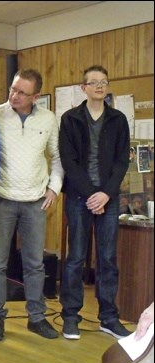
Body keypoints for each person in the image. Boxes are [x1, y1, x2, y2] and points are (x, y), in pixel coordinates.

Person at [0, 68, 64, 341]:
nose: (14, 96)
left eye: (22, 92)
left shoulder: (49, 119)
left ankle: (37, 318)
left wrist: (54, 188)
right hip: (2, 200)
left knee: (35, 264)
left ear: (36, 96)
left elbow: (57, 156)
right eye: (13, 89)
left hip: (35, 202)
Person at [59, 65, 131, 340]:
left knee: (108, 259)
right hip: (79, 197)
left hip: (108, 199)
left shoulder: (118, 120)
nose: (99, 86)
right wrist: (91, 194)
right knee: (76, 258)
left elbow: (122, 160)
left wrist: (106, 194)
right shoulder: (70, 119)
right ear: (83, 88)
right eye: (93, 82)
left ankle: (109, 317)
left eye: (103, 82)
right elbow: (69, 161)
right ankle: (70, 316)